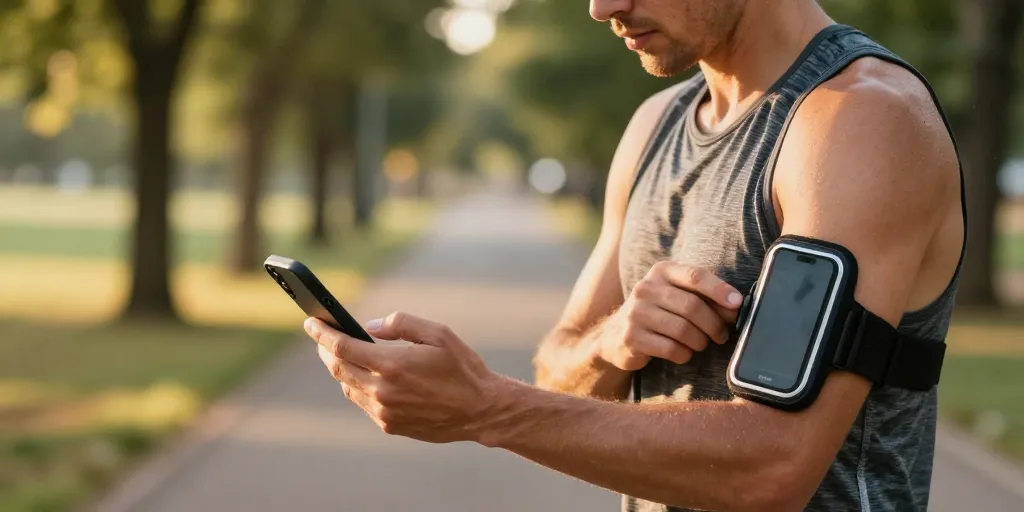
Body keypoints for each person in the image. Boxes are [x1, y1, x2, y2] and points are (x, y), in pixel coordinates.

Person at [302, 0, 966, 510]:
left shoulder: (859, 121)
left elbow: (775, 464)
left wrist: (484, 407)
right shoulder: (656, 124)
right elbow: (556, 374)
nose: (602, 7)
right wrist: (612, 341)